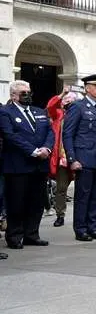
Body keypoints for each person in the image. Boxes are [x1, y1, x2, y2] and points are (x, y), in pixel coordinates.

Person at [0, 80, 54, 250]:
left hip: (39, 165)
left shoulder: (39, 112)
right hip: (18, 165)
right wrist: (33, 151)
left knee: (36, 202)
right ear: (14, 95)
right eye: (24, 93)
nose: (28, 95)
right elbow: (10, 135)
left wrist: (46, 148)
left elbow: (50, 132)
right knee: (17, 202)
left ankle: (32, 234)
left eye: (29, 91)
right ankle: (15, 236)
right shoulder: (5, 112)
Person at [62, 74, 96, 242]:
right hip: (84, 159)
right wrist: (72, 158)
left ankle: (92, 226)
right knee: (83, 196)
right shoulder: (77, 107)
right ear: (87, 88)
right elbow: (68, 134)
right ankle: (81, 229)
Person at [47, 90, 79, 227]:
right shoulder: (58, 114)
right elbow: (50, 107)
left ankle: (82, 217)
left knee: (83, 189)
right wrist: (60, 95)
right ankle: (60, 214)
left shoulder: (80, 114)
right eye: (66, 99)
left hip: (80, 157)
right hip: (62, 158)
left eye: (71, 100)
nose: (68, 101)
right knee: (61, 188)